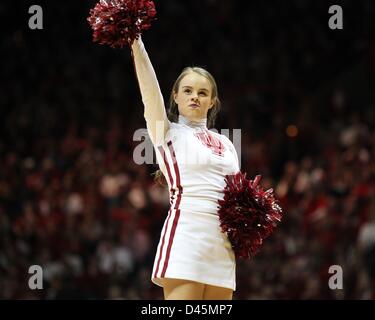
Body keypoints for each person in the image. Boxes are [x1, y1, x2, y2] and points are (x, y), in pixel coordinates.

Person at [131, 36, 240, 300]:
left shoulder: (228, 143)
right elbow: (149, 93)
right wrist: (136, 43)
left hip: (222, 248)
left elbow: (238, 197)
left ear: (212, 101)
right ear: (175, 96)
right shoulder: (167, 132)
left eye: (203, 93)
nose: (195, 97)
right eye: (188, 91)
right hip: (186, 238)